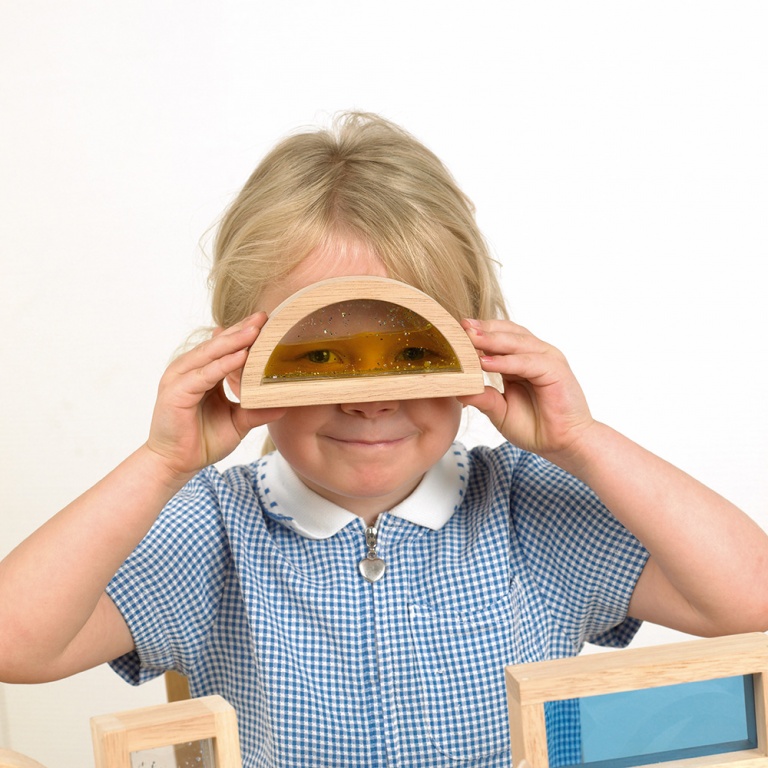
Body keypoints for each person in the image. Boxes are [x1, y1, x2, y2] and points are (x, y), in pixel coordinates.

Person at [1, 112, 767, 768]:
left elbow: (751, 599)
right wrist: (160, 463)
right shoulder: (211, 531)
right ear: (242, 362)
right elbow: (14, 642)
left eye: (413, 351)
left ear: (475, 347)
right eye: (318, 356)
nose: (371, 401)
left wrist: (582, 442)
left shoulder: (528, 508)